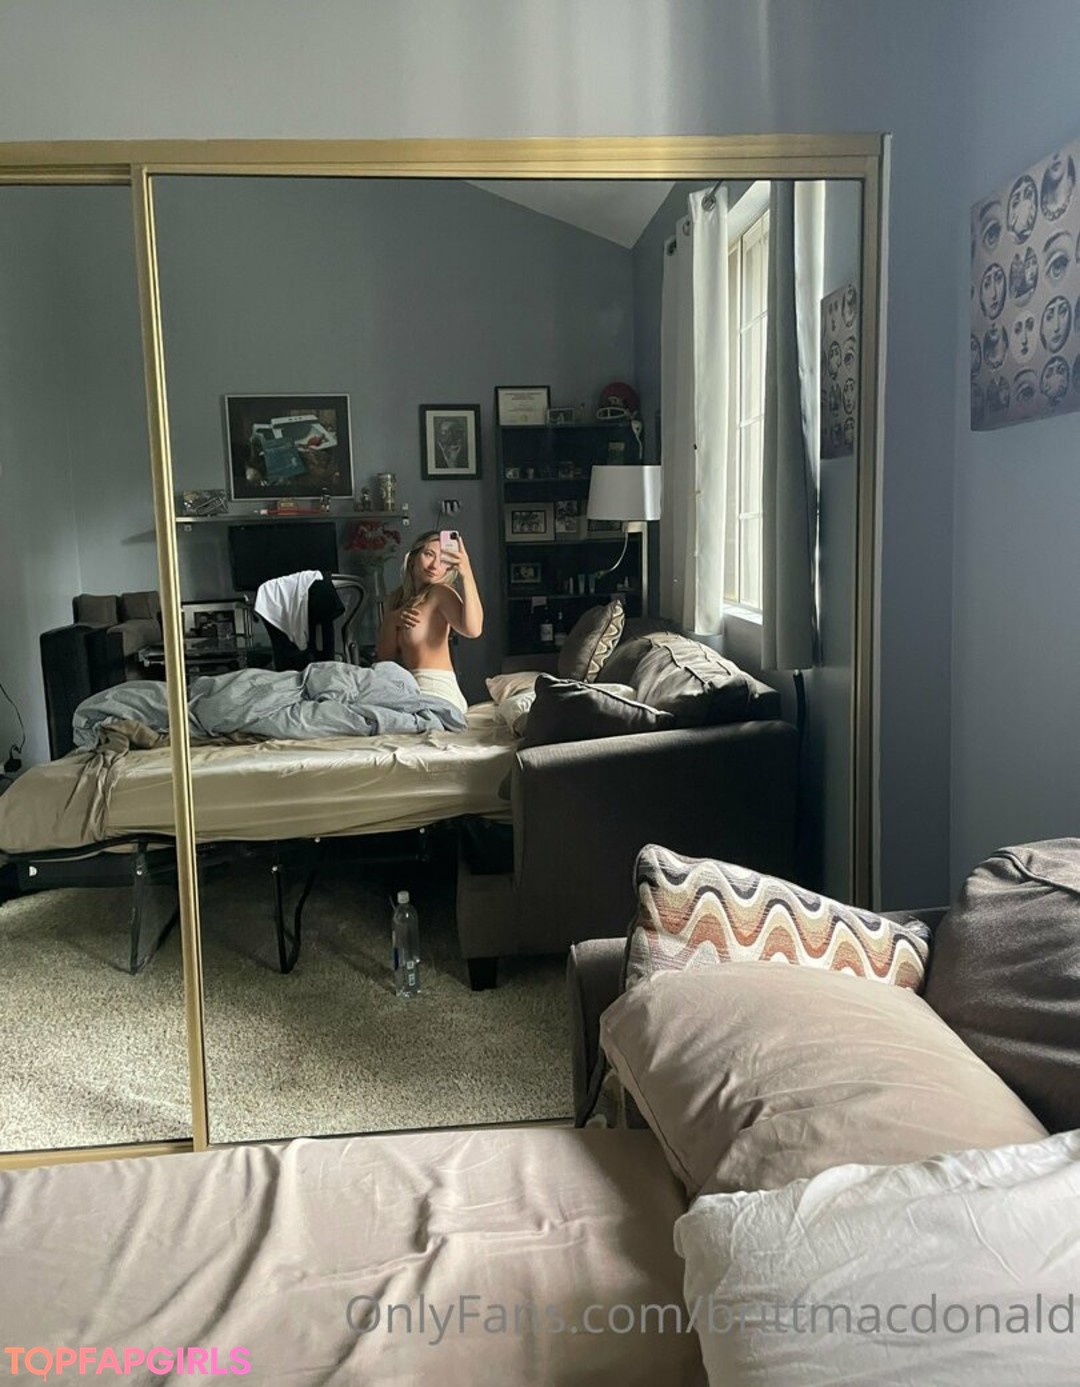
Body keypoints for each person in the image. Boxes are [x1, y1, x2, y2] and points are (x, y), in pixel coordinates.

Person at [375, 530, 483, 715]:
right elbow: (386, 657)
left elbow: (473, 630)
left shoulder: (440, 593)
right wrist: (391, 620)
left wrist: (466, 573)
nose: (434, 565)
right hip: (407, 688)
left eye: (443, 560)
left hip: (436, 688)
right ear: (412, 558)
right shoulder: (397, 599)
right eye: (429, 554)